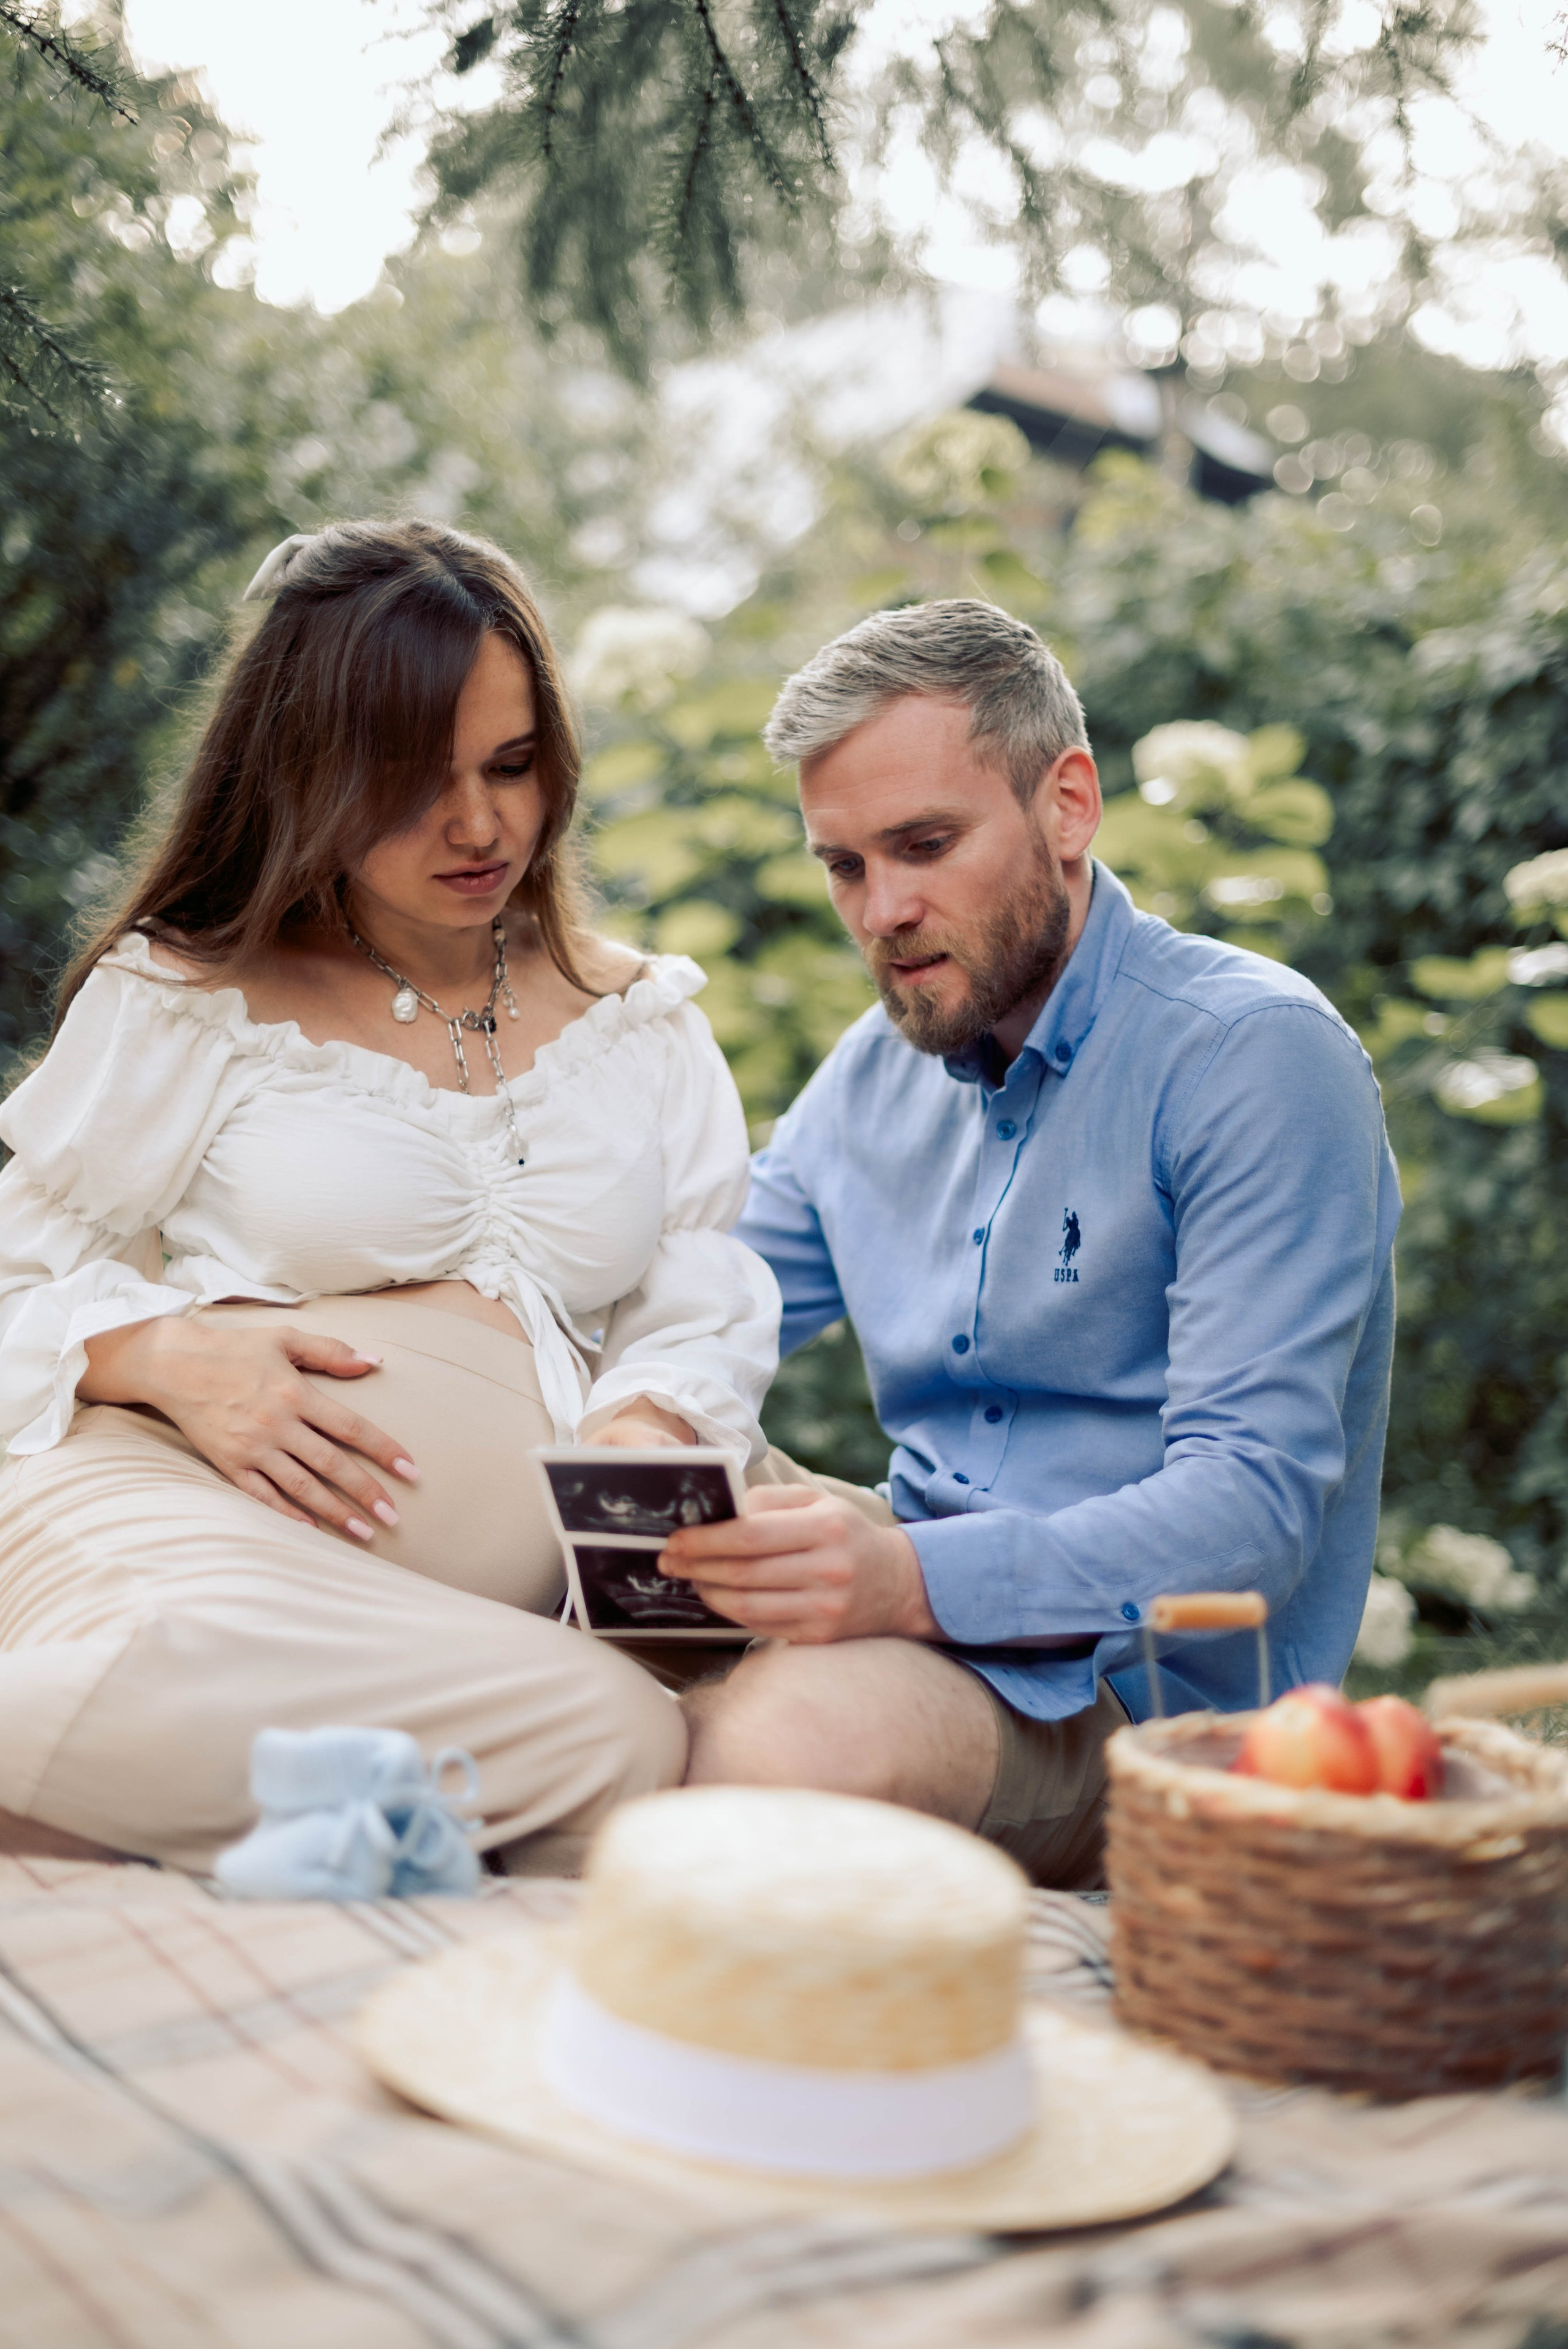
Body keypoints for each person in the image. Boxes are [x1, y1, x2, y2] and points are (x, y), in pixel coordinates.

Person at [0, 519, 780, 1874]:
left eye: (512, 765)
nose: (479, 825)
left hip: (429, 1617)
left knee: (617, 1736)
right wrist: (164, 1352)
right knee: (187, 1655)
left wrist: (654, 1411)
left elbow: (698, 1282)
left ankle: (147, 1796)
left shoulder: (638, 1023)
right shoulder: (186, 998)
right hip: (162, 1508)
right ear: (307, 769)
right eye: (413, 779)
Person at [661, 599, 1401, 1889]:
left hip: (1136, 1706)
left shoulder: (1253, 1059)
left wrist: (904, 1584)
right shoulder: (871, 1076)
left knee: (778, 1744)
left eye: (925, 844)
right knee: (504, 1470)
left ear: (1066, 805)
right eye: (843, 865)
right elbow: (695, 1302)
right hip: (911, 1583)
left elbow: (1251, 1512)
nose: (882, 910)